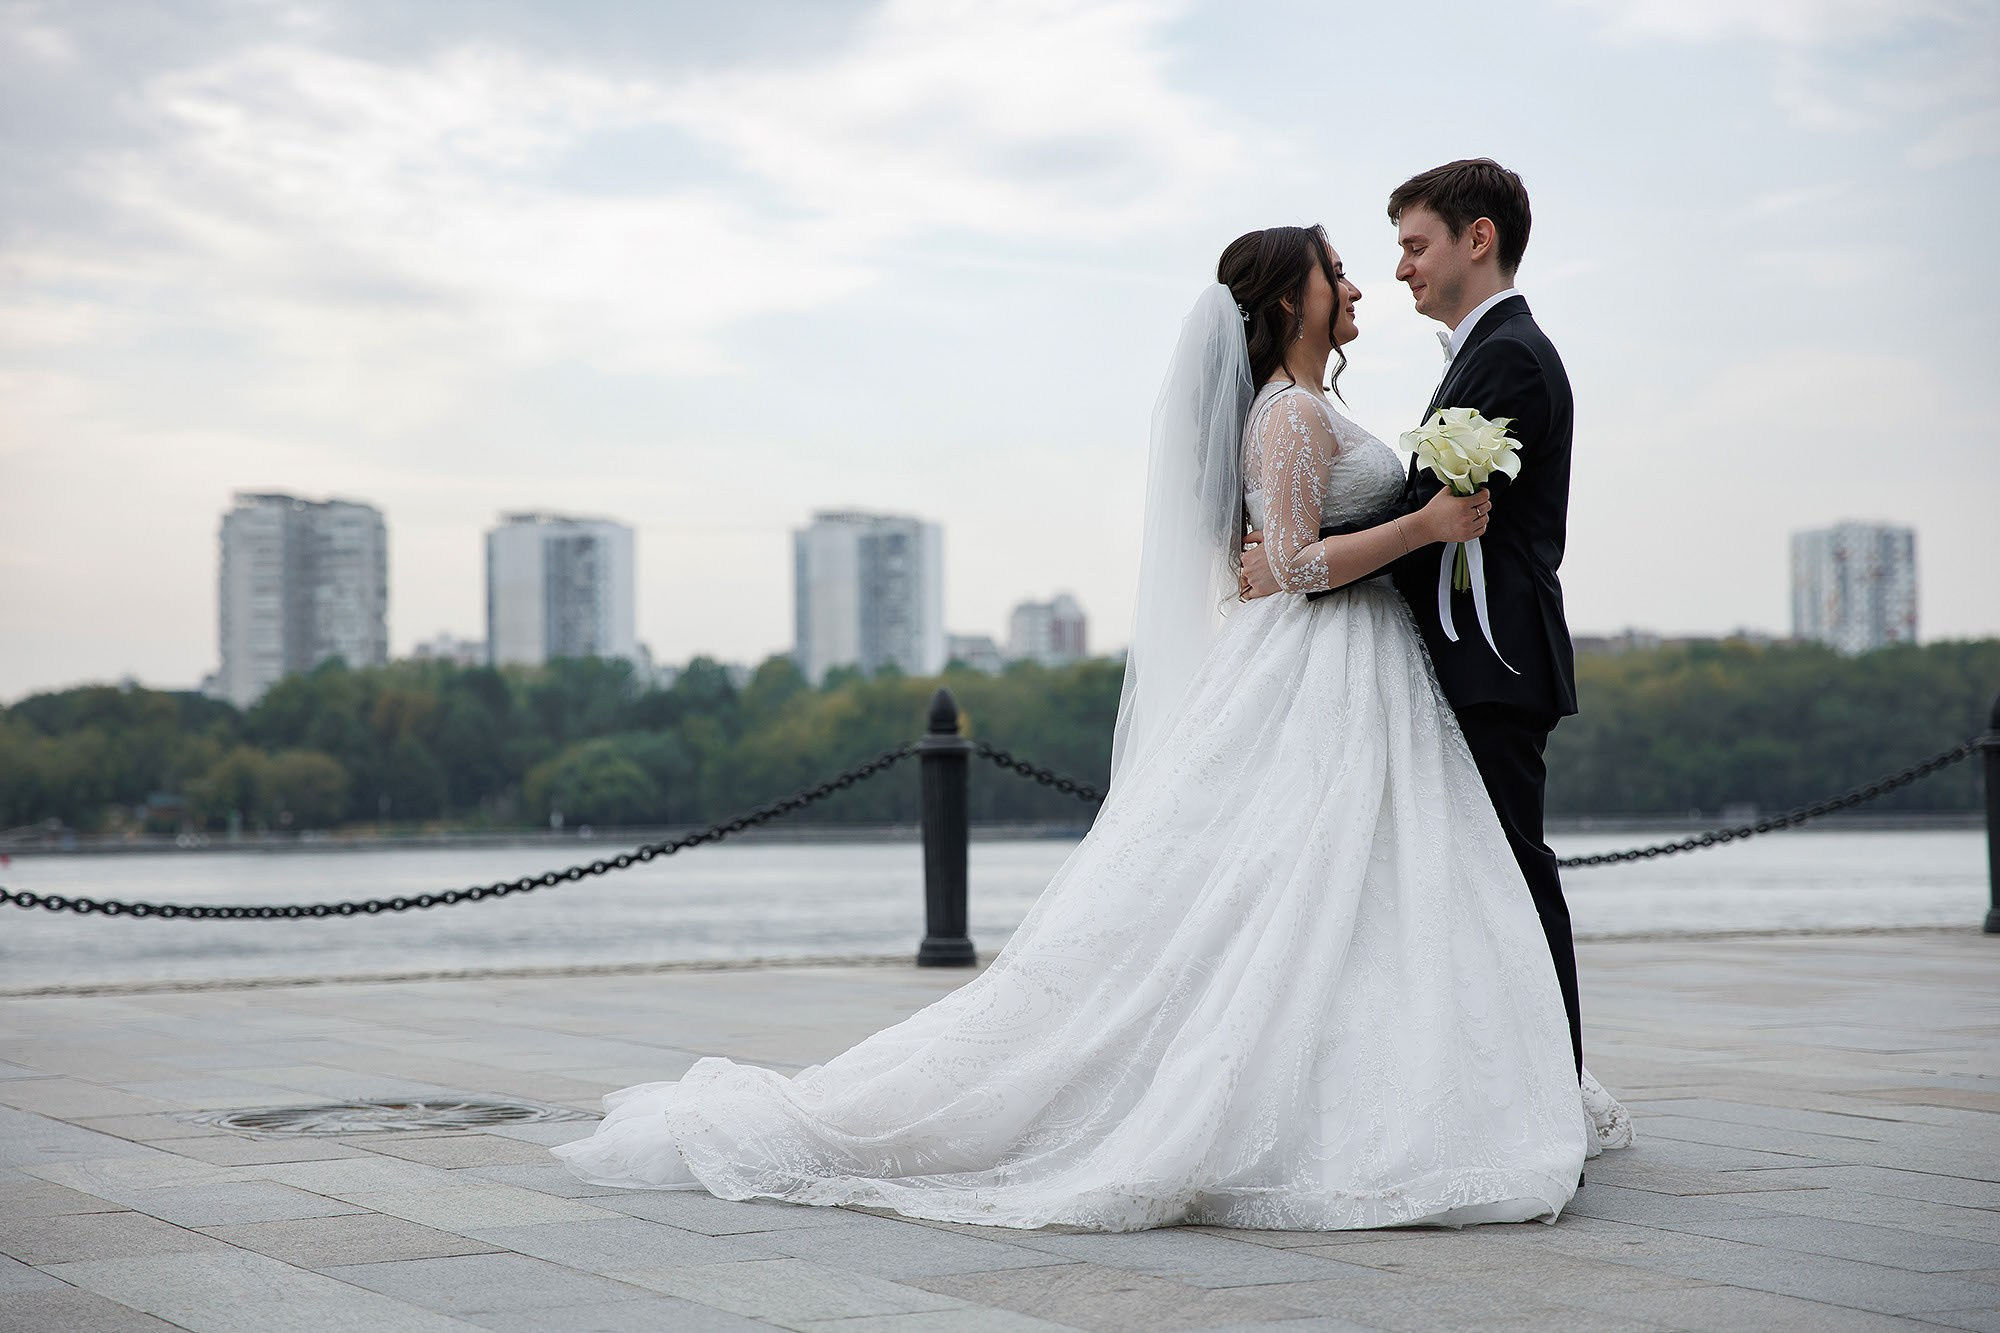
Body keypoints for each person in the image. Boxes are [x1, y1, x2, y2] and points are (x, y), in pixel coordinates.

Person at [553, 220, 1623, 1233]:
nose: (1353, 286)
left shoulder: (1300, 403)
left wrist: (1384, 534)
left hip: (1358, 672)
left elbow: (1278, 558)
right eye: (1333, 272)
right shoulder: (1287, 414)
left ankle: (1394, 1085)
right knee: (1302, 891)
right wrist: (1427, 523)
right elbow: (1293, 564)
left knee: (1344, 897)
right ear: (1283, 299)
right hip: (1322, 665)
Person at [1239, 164, 1616, 1130]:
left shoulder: (1510, 360)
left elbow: (1433, 516)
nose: (1395, 269)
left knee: (1514, 880)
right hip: (1442, 661)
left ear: (1476, 238)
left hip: (1490, 657)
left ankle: (1546, 1096)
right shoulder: (1472, 359)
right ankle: (1496, 1092)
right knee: (1466, 891)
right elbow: (1422, 515)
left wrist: (1292, 566)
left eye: (1414, 244)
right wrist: (1296, 561)